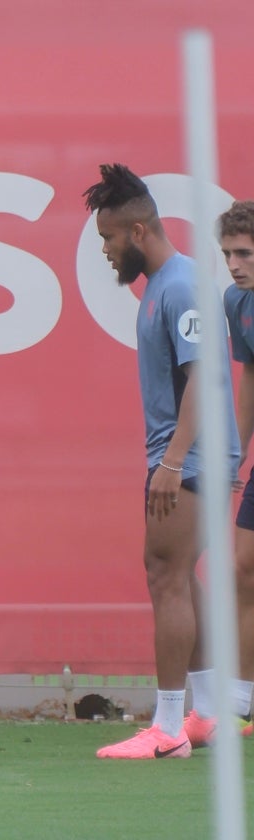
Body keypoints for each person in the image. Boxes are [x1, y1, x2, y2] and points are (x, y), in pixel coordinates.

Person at [84, 164, 240, 759]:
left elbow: (203, 377)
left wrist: (173, 462)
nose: (104, 250)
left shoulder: (179, 286)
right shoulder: (163, 287)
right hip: (189, 456)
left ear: (140, 230)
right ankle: (202, 715)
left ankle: (168, 729)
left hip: (191, 459)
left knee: (164, 573)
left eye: (109, 238)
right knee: (179, 575)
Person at [219, 200, 254, 734]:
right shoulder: (236, 301)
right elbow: (249, 380)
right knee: (243, 569)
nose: (234, 263)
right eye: (227, 254)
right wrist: (234, 454)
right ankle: (243, 703)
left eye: (244, 253)